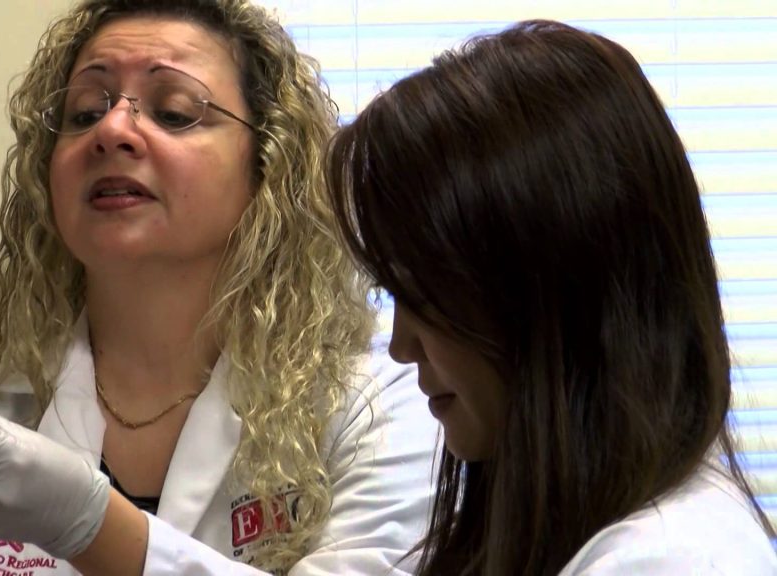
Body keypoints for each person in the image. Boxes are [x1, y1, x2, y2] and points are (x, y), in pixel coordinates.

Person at [0, 1, 438, 574]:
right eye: (83, 112)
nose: (112, 130)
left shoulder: (377, 405)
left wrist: (92, 527)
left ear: (268, 170)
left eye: (175, 112)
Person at [326, 19, 777, 576]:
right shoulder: (545, 531)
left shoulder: (670, 560)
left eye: (421, 291)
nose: (400, 346)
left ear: (549, 286)